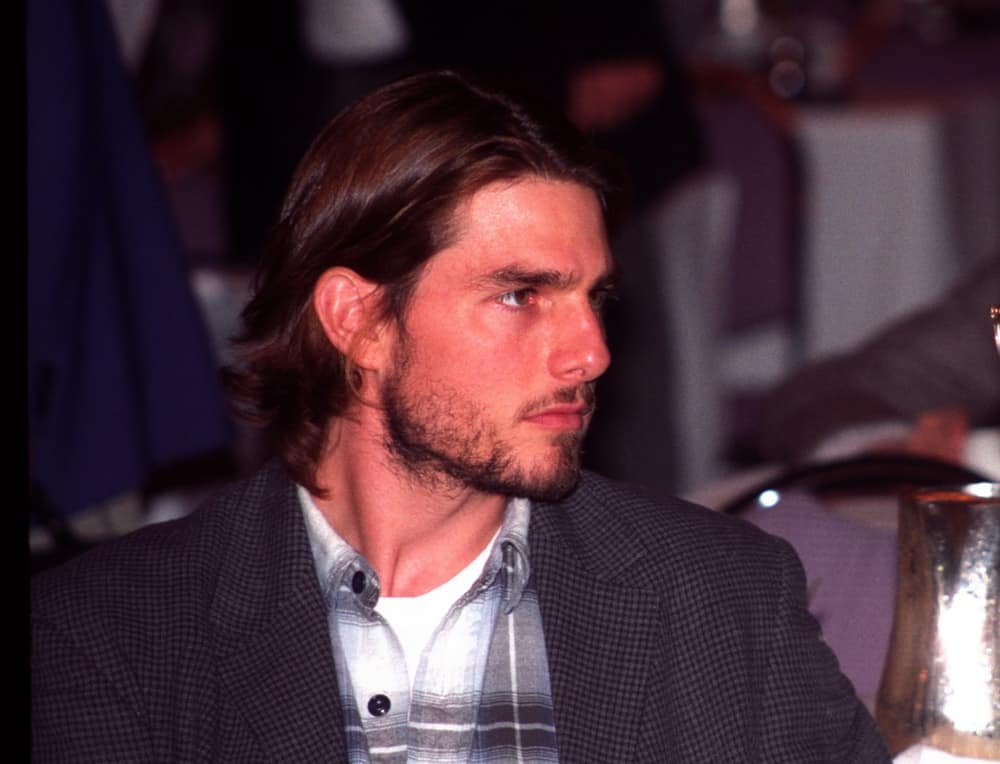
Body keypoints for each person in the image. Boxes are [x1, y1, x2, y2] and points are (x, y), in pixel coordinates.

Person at [32, 71, 890, 762]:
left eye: (594, 298)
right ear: (357, 321)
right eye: (520, 295)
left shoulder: (721, 601)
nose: (590, 352)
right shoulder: (112, 634)